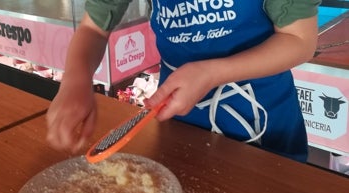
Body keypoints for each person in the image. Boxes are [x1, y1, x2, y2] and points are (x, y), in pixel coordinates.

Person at [46, 0, 321, 162]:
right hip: (182, 124)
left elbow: (299, 41)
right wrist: (76, 81)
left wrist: (211, 73)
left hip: (266, 128)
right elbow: (92, 28)